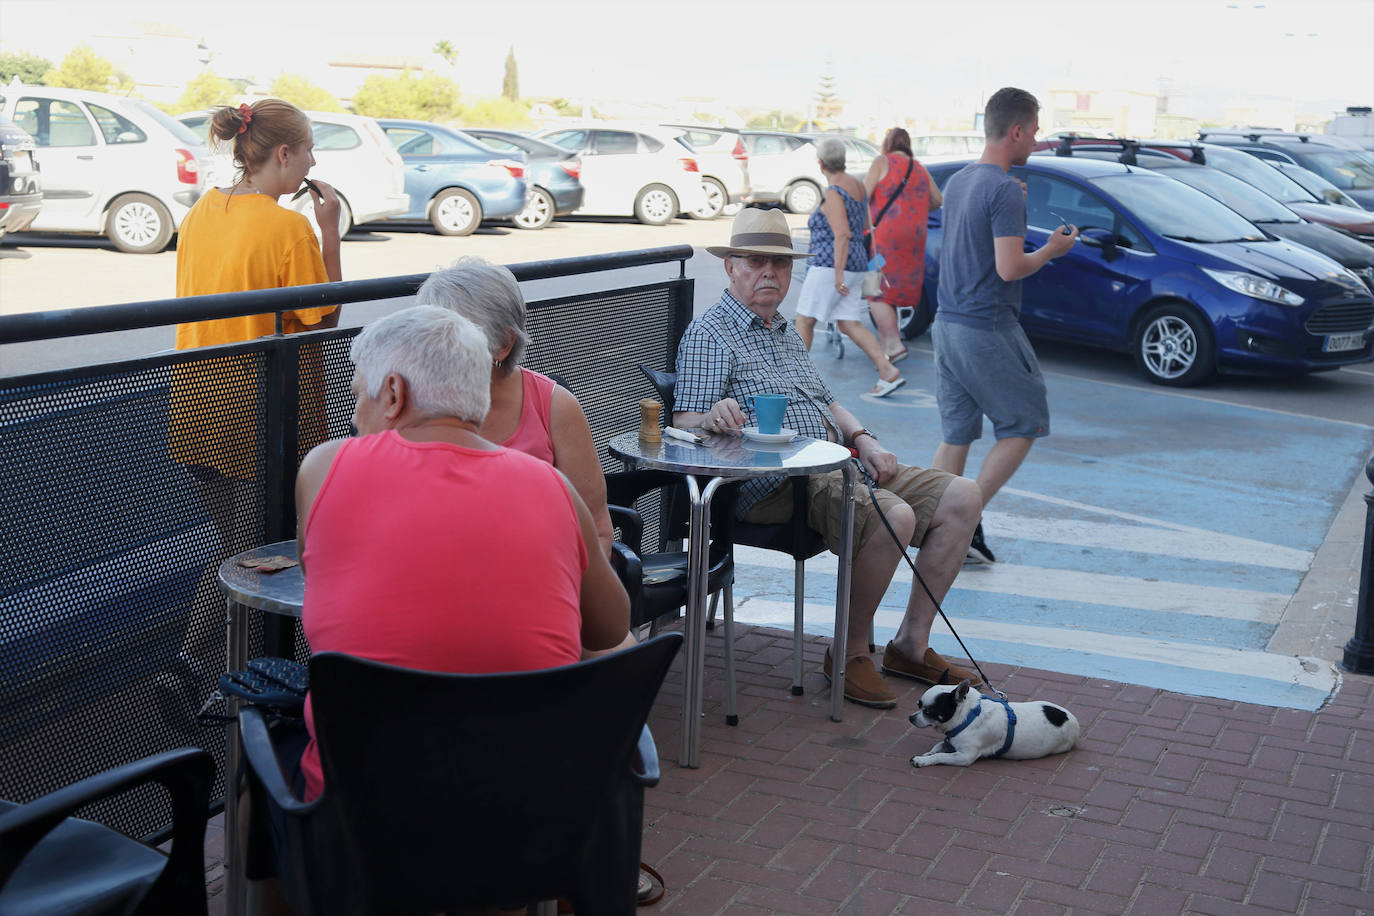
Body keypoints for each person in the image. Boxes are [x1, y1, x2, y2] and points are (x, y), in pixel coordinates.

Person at [294, 305, 631, 801]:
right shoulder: (551, 486)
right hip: (532, 817)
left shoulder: (325, 468)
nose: (354, 415)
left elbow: (315, 570)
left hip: (363, 824)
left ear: (392, 394)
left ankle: (278, 879)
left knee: (255, 776)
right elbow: (611, 627)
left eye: (358, 395)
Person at [673, 207, 985, 709]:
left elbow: (826, 402)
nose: (770, 273)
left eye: (780, 263)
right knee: (895, 515)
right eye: (756, 262)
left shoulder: (783, 330)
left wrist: (865, 437)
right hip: (774, 482)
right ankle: (848, 652)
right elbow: (683, 421)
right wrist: (712, 414)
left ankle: (910, 644)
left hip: (835, 460)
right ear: (731, 266)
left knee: (963, 495)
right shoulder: (712, 334)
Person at [160, 99, 344, 721]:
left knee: (232, 545)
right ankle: (218, 681)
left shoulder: (203, 210)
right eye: (311, 150)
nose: (314, 163)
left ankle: (202, 673)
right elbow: (325, 315)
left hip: (194, 402)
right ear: (284, 154)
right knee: (252, 554)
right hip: (256, 413)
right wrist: (330, 230)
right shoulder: (289, 228)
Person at [929, 87, 1078, 564]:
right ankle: (963, 524)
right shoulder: (1003, 189)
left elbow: (976, 242)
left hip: (947, 325)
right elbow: (1009, 268)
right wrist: (1052, 250)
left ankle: (931, 524)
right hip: (986, 326)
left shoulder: (961, 181)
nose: (1036, 140)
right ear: (1015, 130)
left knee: (956, 434)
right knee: (1023, 424)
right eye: (1034, 131)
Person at [415, 256, 613, 556]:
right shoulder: (409, 406)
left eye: (453, 340)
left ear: (504, 344)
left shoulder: (554, 408)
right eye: (427, 336)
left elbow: (596, 528)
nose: (434, 354)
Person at [791, 139, 905, 398]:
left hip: (830, 265)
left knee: (805, 320)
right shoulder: (857, 186)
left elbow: (841, 234)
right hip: (857, 263)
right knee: (849, 323)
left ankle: (794, 378)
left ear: (820, 164)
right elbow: (864, 224)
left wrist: (838, 274)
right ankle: (886, 369)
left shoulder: (833, 192)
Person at [864, 127, 941, 365]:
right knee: (895, 288)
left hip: (884, 238)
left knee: (873, 288)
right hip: (914, 239)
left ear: (887, 144)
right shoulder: (919, 168)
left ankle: (892, 343)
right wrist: (913, 207)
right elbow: (938, 200)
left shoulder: (881, 161)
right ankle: (890, 341)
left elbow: (863, 196)